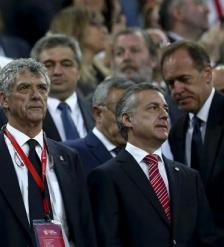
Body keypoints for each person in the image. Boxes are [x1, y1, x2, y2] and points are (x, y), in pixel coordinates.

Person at [0, 58, 96, 247]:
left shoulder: (68, 157)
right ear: (3, 100)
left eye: (42, 88)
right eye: (24, 88)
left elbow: (84, 228)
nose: (36, 96)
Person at [88, 83, 224, 246]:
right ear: (127, 119)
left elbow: (209, 238)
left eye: (166, 108)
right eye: (153, 108)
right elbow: (109, 241)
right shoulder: (106, 176)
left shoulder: (189, 177)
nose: (164, 115)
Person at [161, 40, 224, 235]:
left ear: (207, 74)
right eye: (171, 83)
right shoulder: (175, 133)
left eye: (184, 79)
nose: (176, 90)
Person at [0, 34, 94, 142]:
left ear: (79, 69)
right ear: (34, 71)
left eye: (66, 64)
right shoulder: (5, 115)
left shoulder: (97, 110)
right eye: (48, 65)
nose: (57, 72)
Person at [65, 78, 134, 175]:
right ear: (98, 113)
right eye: (121, 114)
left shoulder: (143, 154)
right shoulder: (70, 153)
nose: (129, 122)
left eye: (134, 114)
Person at [49, 6, 110, 97]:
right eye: (94, 24)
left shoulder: (100, 73)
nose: (104, 30)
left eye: (102, 24)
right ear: (74, 29)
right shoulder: (62, 79)